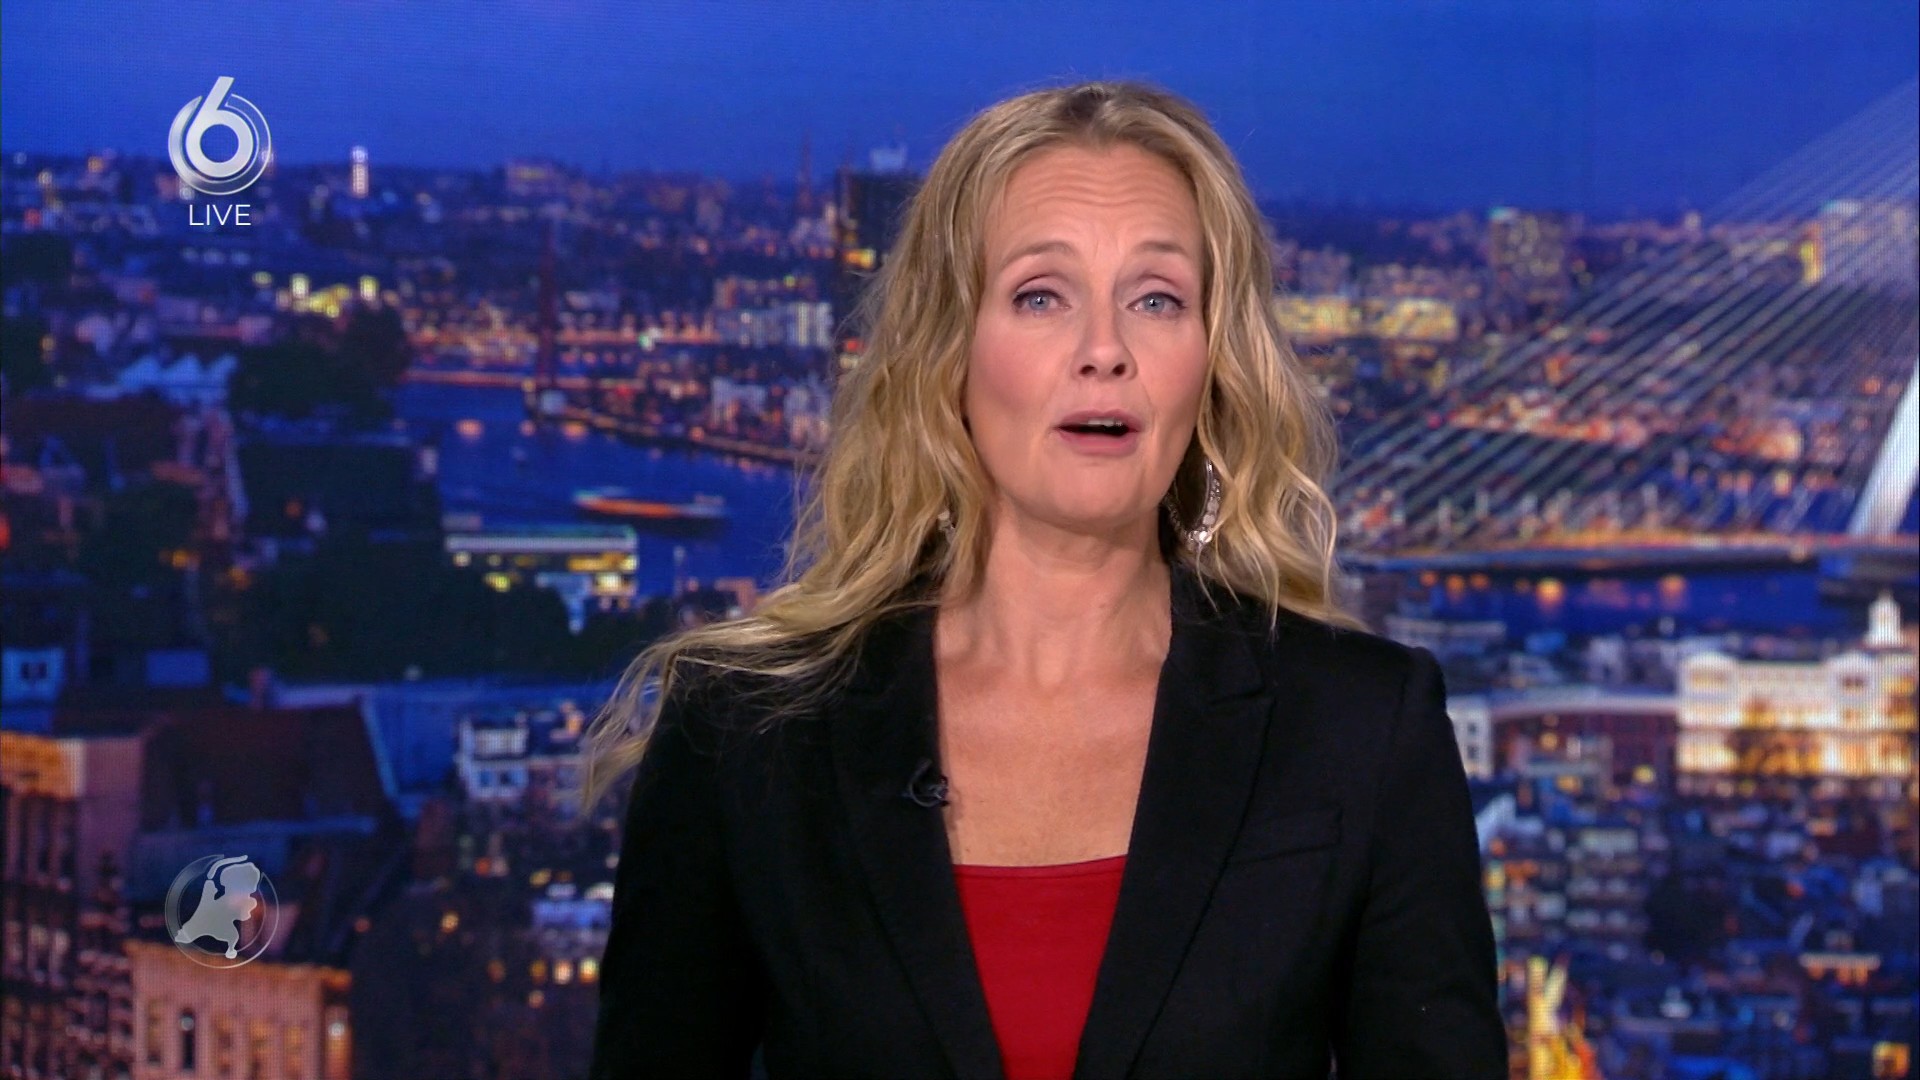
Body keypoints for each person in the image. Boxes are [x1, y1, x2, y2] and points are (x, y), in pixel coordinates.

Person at [583, 79, 1506, 1079]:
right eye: (1040, 296)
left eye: (1156, 300)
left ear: (1213, 359)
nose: (1105, 351)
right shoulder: (742, 734)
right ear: (949, 351)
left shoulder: (1365, 729)